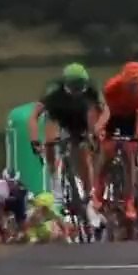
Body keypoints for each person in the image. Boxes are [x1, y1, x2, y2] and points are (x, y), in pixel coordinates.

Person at [28, 62, 106, 207]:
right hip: (58, 115)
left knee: (82, 151)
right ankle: (54, 177)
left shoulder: (91, 88)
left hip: (79, 116)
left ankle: (89, 193)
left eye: (80, 88)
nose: (77, 92)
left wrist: (97, 129)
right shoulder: (52, 91)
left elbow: (105, 111)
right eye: (74, 89)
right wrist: (35, 140)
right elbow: (34, 116)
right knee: (50, 141)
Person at [96, 61, 138, 219]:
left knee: (129, 152)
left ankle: (129, 200)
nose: (133, 88)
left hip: (133, 116)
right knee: (108, 151)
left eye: (136, 85)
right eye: (130, 85)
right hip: (113, 115)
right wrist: (101, 129)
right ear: (123, 81)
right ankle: (98, 191)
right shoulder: (112, 88)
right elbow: (105, 111)